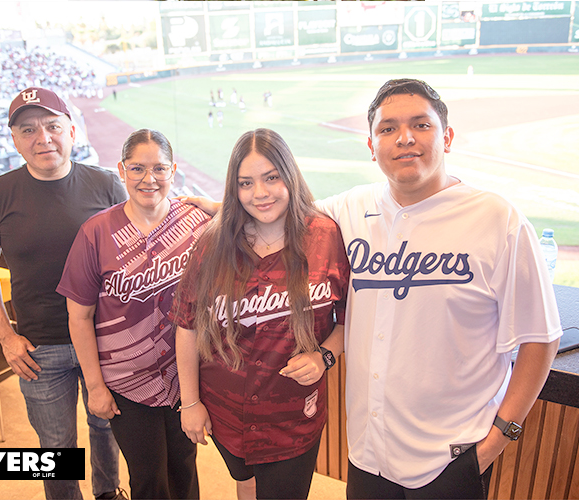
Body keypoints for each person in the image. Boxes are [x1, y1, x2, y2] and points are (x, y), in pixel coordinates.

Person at [314, 79, 562, 498]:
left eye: (421, 125)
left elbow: (541, 336)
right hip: (368, 454)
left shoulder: (497, 218)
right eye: (388, 128)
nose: (405, 138)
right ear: (372, 146)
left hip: (452, 460)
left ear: (446, 137)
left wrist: (498, 439)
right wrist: (208, 207)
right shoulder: (350, 208)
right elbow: (277, 210)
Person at [171, 129, 350, 500]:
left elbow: (349, 320)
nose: (261, 193)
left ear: (290, 175)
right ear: (233, 189)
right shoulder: (212, 242)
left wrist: (324, 356)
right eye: (246, 183)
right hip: (225, 411)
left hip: (293, 420)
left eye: (271, 177)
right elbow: (186, 326)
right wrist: (190, 404)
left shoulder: (326, 237)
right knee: (246, 483)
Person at [0, 87, 127, 500]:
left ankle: (108, 493)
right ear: (15, 139)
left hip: (105, 340)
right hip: (41, 347)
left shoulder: (107, 184)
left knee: (107, 429)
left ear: (71, 131)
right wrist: (6, 336)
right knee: (56, 448)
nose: (43, 139)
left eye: (52, 126)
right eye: (28, 130)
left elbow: (137, 252)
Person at [57, 129, 211, 499]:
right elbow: (79, 317)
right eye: (137, 168)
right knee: (147, 478)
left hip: (184, 376)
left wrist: (218, 207)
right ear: (121, 170)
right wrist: (95, 388)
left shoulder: (197, 221)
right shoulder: (96, 233)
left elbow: (250, 219)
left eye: (159, 168)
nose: (149, 179)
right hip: (126, 382)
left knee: (184, 469)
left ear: (173, 171)